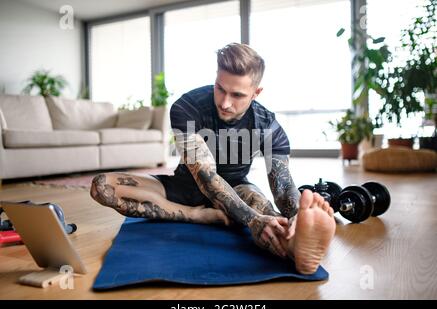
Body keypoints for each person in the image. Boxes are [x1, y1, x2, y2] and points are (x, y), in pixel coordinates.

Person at [90, 43, 336, 275]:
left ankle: (296, 249)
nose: (225, 102)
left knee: (269, 216)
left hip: (239, 189)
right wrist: (249, 219)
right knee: (103, 186)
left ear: (256, 93)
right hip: (185, 187)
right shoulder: (187, 107)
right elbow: (205, 176)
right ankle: (199, 216)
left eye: (237, 94)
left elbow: (282, 188)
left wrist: (296, 217)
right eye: (220, 88)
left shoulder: (268, 126)